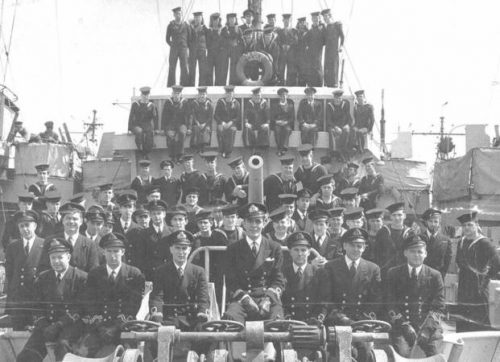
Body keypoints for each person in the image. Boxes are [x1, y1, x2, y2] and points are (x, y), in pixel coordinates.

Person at [223, 203, 284, 360]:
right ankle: (238, 357)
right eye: (250, 221)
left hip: (267, 297)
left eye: (258, 221)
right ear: (243, 224)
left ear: (264, 223)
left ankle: (273, 357)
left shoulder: (274, 247)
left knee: (277, 321)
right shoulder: (233, 249)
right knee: (231, 318)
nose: (254, 225)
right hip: (243, 298)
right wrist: (245, 298)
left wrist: (268, 299)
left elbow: (278, 280)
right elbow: (231, 281)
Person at [16, 238, 87, 362]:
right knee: (27, 355)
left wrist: (58, 325)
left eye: (60, 257)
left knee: (62, 347)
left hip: (70, 326)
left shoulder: (81, 277)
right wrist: (43, 324)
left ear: (68, 257)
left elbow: (80, 308)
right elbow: (37, 306)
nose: (56, 261)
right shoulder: (43, 277)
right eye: (53, 258)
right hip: (47, 325)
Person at [319, 228, 381, 362]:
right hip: (337, 321)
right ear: (344, 246)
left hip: (362, 323)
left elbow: (375, 301)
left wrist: (362, 323)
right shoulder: (331, 267)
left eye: (360, 246)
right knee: (342, 352)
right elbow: (326, 299)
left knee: (366, 352)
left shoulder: (373, 269)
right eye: (352, 245)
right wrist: (340, 317)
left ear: (364, 248)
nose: (356, 249)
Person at [82, 233, 145, 357]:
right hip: (100, 326)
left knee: (130, 354)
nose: (112, 255)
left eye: (116, 251)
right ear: (103, 252)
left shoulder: (134, 274)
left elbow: (133, 305)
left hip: (123, 326)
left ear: (123, 252)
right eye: (109, 251)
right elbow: (90, 302)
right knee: (84, 351)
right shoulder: (95, 274)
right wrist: (100, 327)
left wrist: (116, 328)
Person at [386, 235, 445, 357]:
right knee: (402, 354)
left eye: (420, 252)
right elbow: (389, 303)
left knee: (435, 355)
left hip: (428, 326)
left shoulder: (435, 275)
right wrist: (404, 326)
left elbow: (439, 307)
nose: (416, 255)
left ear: (426, 254)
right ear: (405, 253)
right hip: (401, 326)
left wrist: (426, 330)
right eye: (412, 251)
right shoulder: (393, 273)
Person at [150, 230, 209, 333]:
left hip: (192, 318)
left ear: (189, 250)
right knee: (155, 337)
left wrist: (202, 314)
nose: (181, 252)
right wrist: (157, 316)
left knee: (207, 335)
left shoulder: (199, 271)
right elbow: (157, 297)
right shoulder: (161, 271)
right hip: (168, 318)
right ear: (171, 249)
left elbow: (203, 298)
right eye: (177, 248)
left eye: (184, 248)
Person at [455, 210, 500, 332]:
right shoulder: (461, 242)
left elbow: (497, 262)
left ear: (476, 225)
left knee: (479, 317)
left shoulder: (484, 242)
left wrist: (487, 277)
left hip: (479, 284)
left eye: (470, 225)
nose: (467, 228)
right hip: (464, 284)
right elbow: (458, 261)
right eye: (464, 226)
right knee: (463, 315)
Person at [5, 210, 45, 330]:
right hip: (18, 299)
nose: (25, 229)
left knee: (36, 334)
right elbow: (10, 273)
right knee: (18, 333)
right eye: (21, 226)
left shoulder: (44, 245)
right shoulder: (12, 247)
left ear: (35, 226)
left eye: (27, 225)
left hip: (36, 298)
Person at [39, 202, 100, 273]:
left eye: (75, 219)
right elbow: (43, 269)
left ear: (81, 221)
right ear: (62, 221)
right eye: (68, 218)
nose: (71, 221)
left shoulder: (90, 244)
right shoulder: (50, 241)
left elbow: (94, 272)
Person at [282, 232, 320, 321]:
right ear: (290, 252)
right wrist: (285, 315)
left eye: (303, 250)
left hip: (311, 320)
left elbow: (323, 301)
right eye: (296, 250)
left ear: (309, 252)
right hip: (288, 320)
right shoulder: (282, 272)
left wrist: (315, 318)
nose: (299, 254)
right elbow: (279, 301)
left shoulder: (318, 272)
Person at [192, 210, 227, 307]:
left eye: (205, 222)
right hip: (202, 272)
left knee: (219, 298)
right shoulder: (196, 239)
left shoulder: (219, 236)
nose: (203, 225)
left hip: (217, 272)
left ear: (211, 223)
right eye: (200, 223)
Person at [374, 202, 411, 282]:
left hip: (404, 273)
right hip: (386, 272)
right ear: (390, 216)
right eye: (394, 215)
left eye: (399, 215)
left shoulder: (410, 233)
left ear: (404, 216)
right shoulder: (383, 232)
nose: (397, 218)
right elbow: (377, 253)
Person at [420, 208, 452, 280]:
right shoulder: (419, 238)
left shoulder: (446, 240)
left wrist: (441, 275)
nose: (433, 224)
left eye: (436, 221)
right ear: (426, 222)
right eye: (430, 221)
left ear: (439, 223)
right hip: (421, 276)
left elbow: (447, 260)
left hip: (438, 277)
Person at [143, 200, 171, 281]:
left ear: (164, 214)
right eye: (153, 214)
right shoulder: (144, 233)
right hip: (151, 273)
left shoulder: (171, 232)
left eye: (159, 213)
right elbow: (141, 256)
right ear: (150, 215)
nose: (156, 216)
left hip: (168, 272)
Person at [162, 85, 191, 162]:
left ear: (180, 94)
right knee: (171, 135)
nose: (176, 95)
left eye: (178, 93)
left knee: (181, 133)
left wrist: (189, 128)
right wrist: (164, 129)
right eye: (175, 93)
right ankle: (172, 155)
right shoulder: (168, 103)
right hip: (170, 124)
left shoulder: (185, 102)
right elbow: (164, 117)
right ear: (172, 94)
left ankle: (180, 155)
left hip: (181, 124)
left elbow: (189, 116)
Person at [128, 86, 159, 158]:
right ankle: (141, 150)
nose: (146, 97)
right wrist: (129, 129)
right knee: (139, 132)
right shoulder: (135, 104)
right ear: (141, 95)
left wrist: (156, 129)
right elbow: (131, 117)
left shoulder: (152, 105)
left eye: (147, 95)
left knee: (149, 135)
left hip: (147, 125)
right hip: (136, 125)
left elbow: (155, 118)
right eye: (144, 95)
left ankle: (146, 153)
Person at [166, 7, 191, 86]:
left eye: (179, 13)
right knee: (172, 67)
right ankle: (171, 85)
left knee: (184, 67)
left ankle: (184, 85)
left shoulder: (186, 25)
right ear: (174, 15)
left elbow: (189, 38)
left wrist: (186, 47)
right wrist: (173, 45)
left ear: (181, 14)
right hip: (174, 49)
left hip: (183, 49)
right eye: (176, 14)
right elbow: (167, 39)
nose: (178, 15)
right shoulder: (170, 25)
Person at [214, 85, 240, 158]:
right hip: (222, 123)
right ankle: (221, 150)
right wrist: (222, 122)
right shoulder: (220, 102)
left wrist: (231, 122)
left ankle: (228, 152)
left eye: (230, 93)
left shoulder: (236, 103)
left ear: (233, 94)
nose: (229, 95)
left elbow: (238, 117)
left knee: (231, 131)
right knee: (220, 130)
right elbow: (216, 115)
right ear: (225, 94)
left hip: (232, 123)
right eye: (227, 93)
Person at [326, 89, 352, 160]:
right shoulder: (329, 105)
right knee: (331, 131)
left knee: (347, 130)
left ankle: (343, 150)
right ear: (334, 98)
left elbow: (349, 117)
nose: (337, 100)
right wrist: (335, 127)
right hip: (333, 125)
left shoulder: (345, 105)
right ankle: (332, 152)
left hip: (343, 125)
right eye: (336, 98)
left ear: (341, 99)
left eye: (339, 98)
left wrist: (347, 125)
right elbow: (328, 120)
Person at [243, 87, 271, 153]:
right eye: (255, 95)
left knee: (265, 129)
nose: (257, 97)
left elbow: (268, 115)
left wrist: (267, 123)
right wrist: (246, 123)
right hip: (252, 123)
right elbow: (246, 114)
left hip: (261, 123)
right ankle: (251, 146)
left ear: (261, 95)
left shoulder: (264, 103)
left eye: (258, 95)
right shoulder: (249, 103)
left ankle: (262, 147)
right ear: (252, 96)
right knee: (247, 129)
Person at [321, 9, 344, 87]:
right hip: (327, 52)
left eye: (326, 16)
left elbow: (342, 36)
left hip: (334, 52)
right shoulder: (325, 28)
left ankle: (334, 85)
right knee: (327, 70)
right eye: (324, 17)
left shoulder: (337, 25)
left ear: (330, 16)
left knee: (334, 70)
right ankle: (327, 85)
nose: (325, 18)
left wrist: (341, 46)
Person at [220, 13, 243, 85]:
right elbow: (221, 40)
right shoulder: (224, 29)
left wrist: (238, 50)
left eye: (233, 19)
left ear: (235, 20)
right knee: (224, 68)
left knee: (234, 68)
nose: (232, 20)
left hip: (235, 51)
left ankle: (232, 84)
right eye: (230, 19)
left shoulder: (238, 29)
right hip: (226, 51)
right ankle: (223, 84)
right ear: (228, 20)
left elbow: (241, 41)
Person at [271, 87, 294, 156]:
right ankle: (279, 148)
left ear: (287, 96)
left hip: (286, 123)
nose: (283, 97)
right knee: (277, 130)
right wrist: (276, 121)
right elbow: (272, 116)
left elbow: (292, 117)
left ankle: (284, 148)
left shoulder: (290, 105)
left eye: (285, 95)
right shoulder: (275, 105)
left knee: (287, 130)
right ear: (279, 96)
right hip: (278, 123)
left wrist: (286, 122)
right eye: (281, 95)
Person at [303, 12, 325, 87]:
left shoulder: (322, 29)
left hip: (318, 55)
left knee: (318, 73)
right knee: (311, 74)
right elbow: (305, 40)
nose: (315, 20)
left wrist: (322, 26)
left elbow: (325, 40)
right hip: (310, 56)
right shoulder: (310, 31)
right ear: (312, 20)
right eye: (314, 18)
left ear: (319, 19)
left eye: (317, 18)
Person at [277, 14, 298, 86]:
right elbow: (278, 41)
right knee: (281, 70)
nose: (286, 22)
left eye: (288, 21)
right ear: (283, 21)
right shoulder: (279, 31)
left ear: (290, 21)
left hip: (291, 55)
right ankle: (281, 84)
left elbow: (295, 41)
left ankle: (290, 85)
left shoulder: (294, 31)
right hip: (282, 54)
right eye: (285, 21)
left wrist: (289, 45)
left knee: (291, 71)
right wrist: (282, 45)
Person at [190, 87, 213, 153]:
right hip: (196, 123)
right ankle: (196, 147)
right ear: (198, 95)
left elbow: (210, 117)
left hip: (206, 123)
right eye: (200, 94)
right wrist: (197, 123)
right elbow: (193, 115)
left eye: (203, 94)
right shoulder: (194, 103)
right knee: (196, 128)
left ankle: (203, 146)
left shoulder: (209, 104)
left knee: (206, 130)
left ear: (206, 95)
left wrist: (204, 124)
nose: (202, 96)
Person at [188, 12, 208, 86]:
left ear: (201, 18)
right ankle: (191, 86)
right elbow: (188, 39)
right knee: (192, 70)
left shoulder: (205, 28)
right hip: (193, 51)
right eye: (196, 18)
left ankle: (201, 87)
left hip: (202, 51)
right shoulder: (190, 28)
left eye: (199, 17)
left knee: (202, 70)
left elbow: (208, 39)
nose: (197, 19)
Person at [206, 12, 225, 85]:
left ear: (219, 20)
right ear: (212, 21)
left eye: (217, 20)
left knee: (219, 73)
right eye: (214, 20)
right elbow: (207, 43)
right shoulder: (209, 31)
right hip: (210, 54)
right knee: (209, 73)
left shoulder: (222, 31)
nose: (215, 22)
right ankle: (209, 88)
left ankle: (218, 88)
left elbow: (223, 42)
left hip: (219, 55)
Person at [295, 17, 309, 86]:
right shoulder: (296, 33)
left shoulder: (308, 33)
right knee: (297, 77)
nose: (302, 25)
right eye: (300, 23)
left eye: (303, 23)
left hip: (305, 58)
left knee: (304, 76)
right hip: (297, 57)